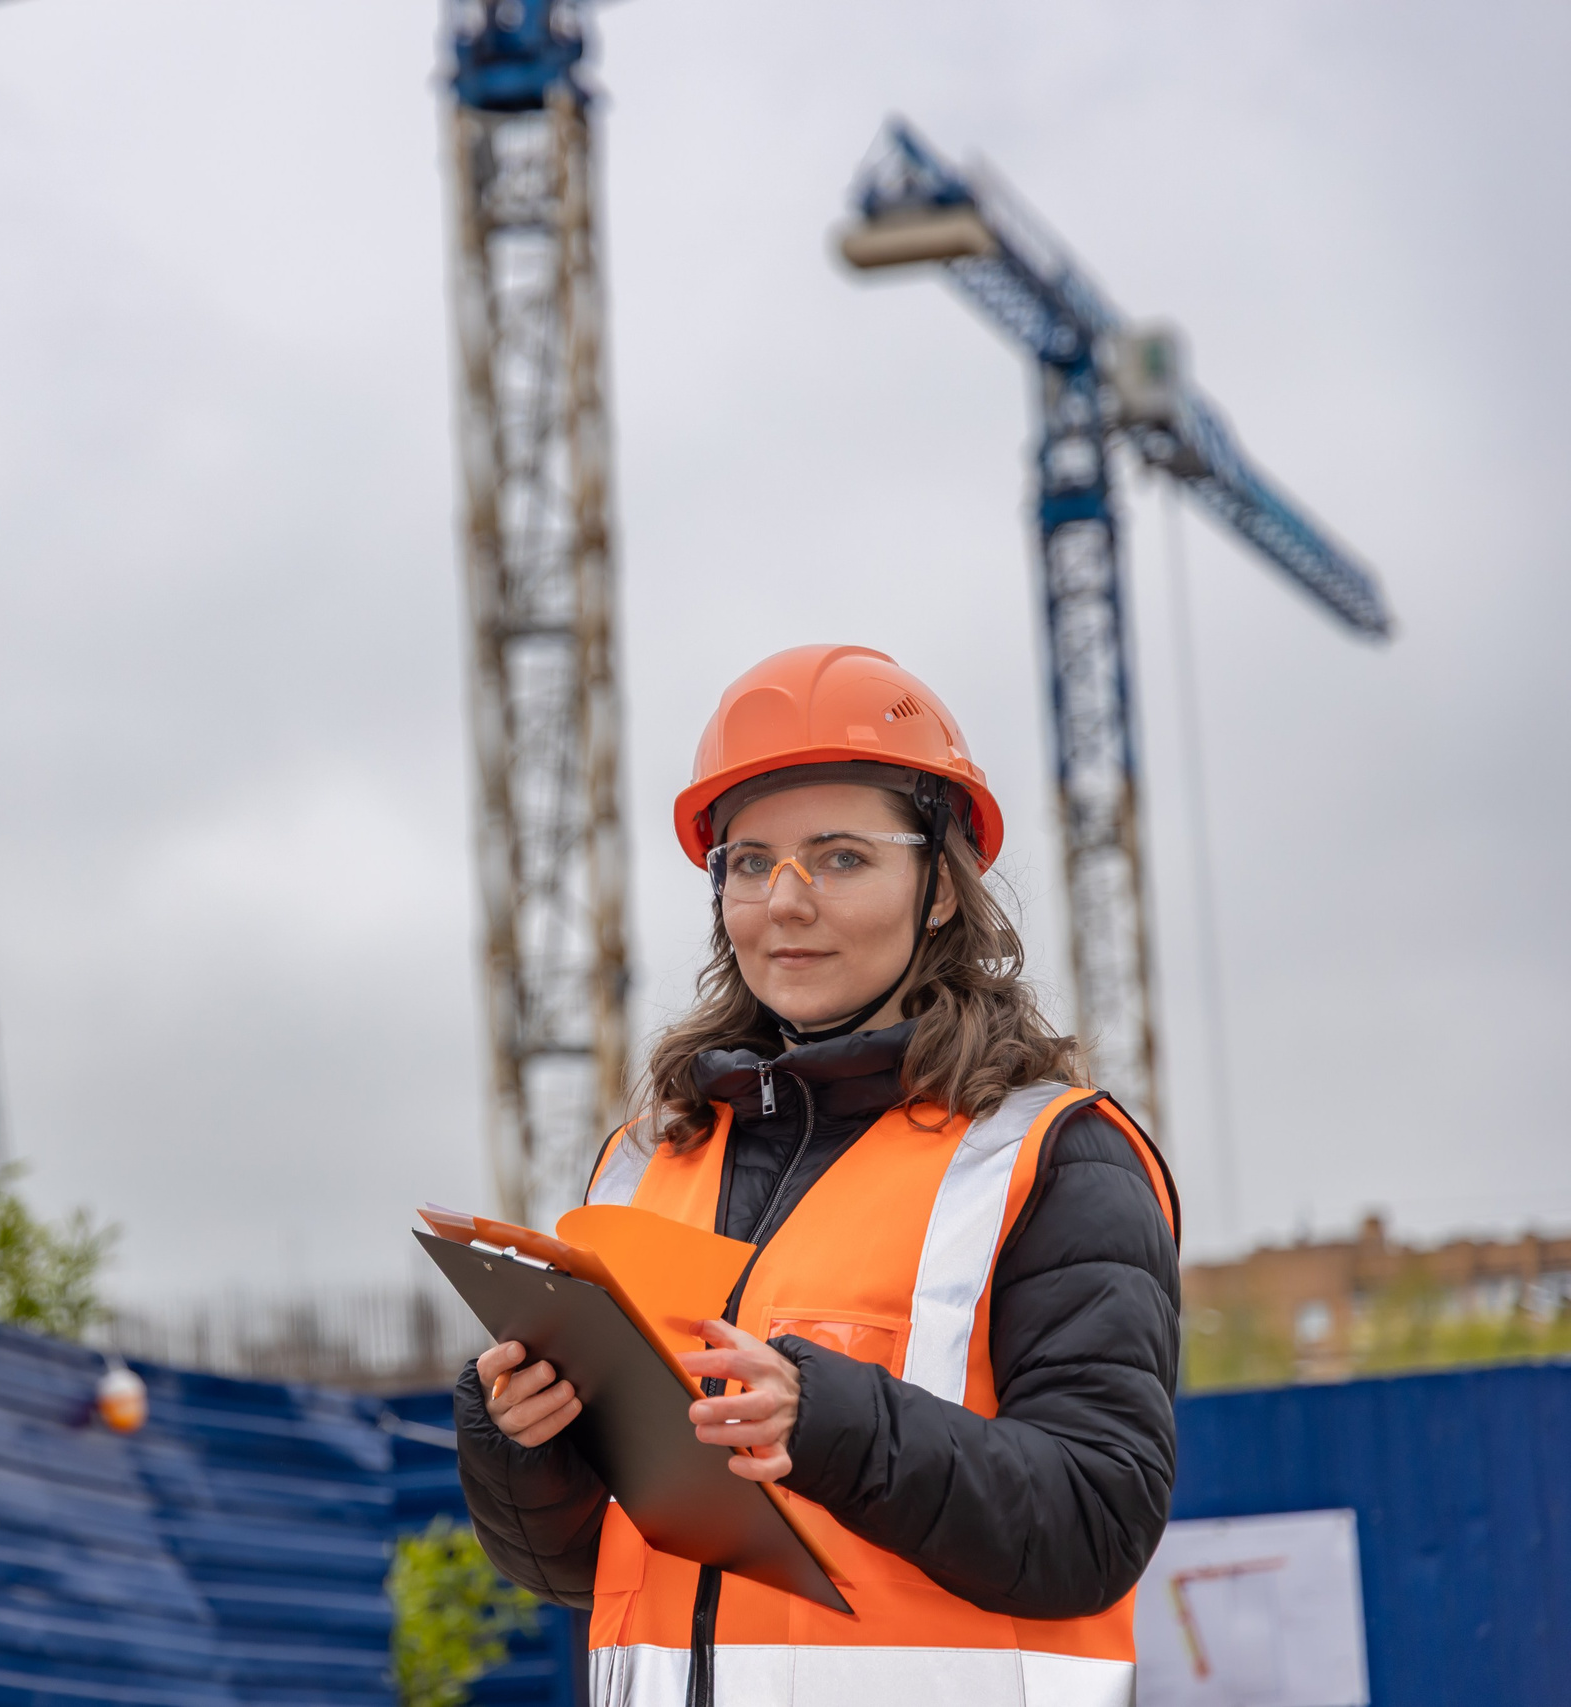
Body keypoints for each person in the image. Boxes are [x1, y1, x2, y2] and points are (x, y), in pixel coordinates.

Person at [454, 644, 1181, 1707]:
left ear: (941, 888)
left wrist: (828, 1422)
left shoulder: (1050, 1157)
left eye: (839, 858)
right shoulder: (647, 1160)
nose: (783, 903)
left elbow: (1093, 1526)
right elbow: (583, 1568)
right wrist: (524, 1440)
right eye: (750, 863)